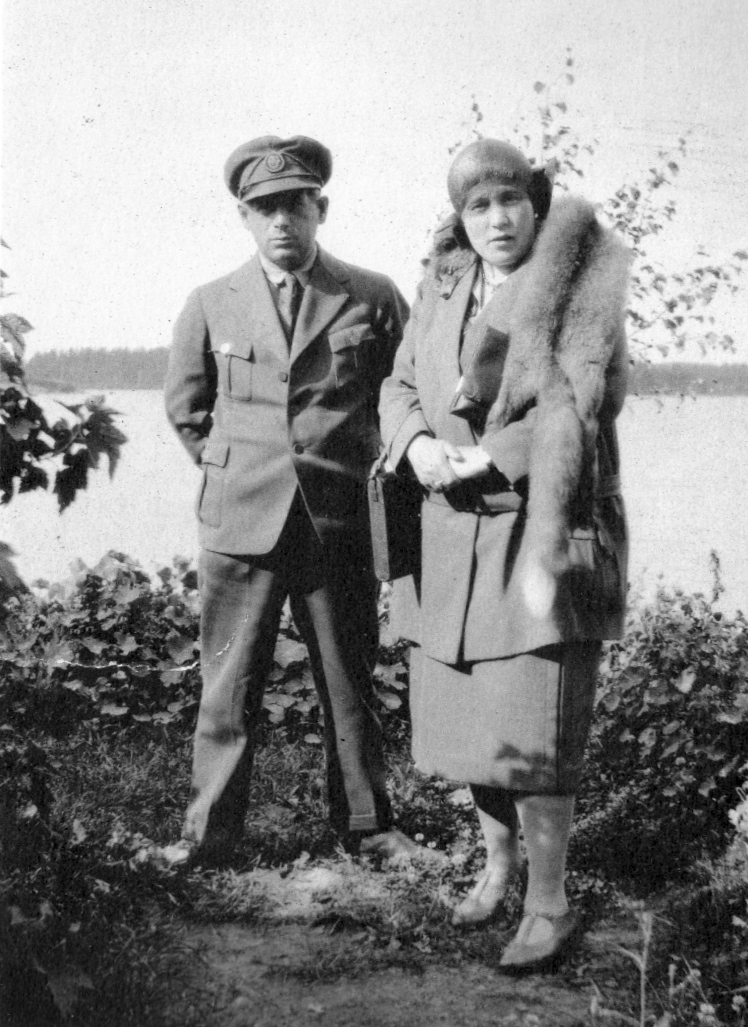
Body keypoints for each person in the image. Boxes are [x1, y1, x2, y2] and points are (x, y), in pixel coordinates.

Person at [378, 139, 630, 971]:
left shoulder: (580, 286)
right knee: (472, 716)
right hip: (451, 532)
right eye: (477, 206)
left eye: (510, 201)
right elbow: (399, 383)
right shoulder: (444, 284)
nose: (496, 219)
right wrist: (416, 445)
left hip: (539, 527)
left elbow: (581, 399)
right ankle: (497, 869)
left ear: (535, 203)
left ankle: (548, 901)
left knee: (535, 717)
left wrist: (490, 456)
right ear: (460, 217)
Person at [164, 134, 418, 865]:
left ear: (320, 209)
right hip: (241, 519)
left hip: (338, 520)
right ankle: (209, 838)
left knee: (350, 682)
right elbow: (187, 409)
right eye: (265, 208)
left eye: (295, 205)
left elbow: (402, 397)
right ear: (244, 217)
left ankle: (368, 828)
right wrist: (238, 472)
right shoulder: (211, 302)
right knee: (228, 682)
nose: (281, 220)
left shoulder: (371, 296)